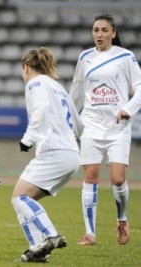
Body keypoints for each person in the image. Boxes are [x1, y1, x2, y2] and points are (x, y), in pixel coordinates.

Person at [69, 14, 141, 246]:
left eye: (103, 30)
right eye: (95, 30)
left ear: (113, 33)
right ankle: (90, 233)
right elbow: (76, 92)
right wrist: (68, 120)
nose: (99, 34)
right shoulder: (85, 57)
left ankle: (122, 220)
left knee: (118, 179)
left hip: (118, 127)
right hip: (90, 124)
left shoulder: (125, 57)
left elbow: (140, 88)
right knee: (90, 176)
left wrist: (128, 108)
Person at [11, 47, 83, 263]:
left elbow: (41, 109)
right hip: (71, 153)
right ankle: (37, 251)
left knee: (19, 197)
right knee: (23, 198)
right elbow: (79, 124)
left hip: (54, 152)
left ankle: (50, 236)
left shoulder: (35, 83)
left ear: (26, 68)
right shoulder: (58, 87)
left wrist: (28, 139)